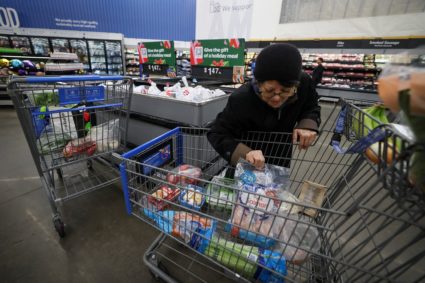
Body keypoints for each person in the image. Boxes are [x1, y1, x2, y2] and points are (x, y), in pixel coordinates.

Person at [207, 43, 321, 170]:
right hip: (248, 165)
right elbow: (217, 132)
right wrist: (245, 153)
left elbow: (311, 106)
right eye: (269, 91)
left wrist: (308, 124)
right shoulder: (241, 99)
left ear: (295, 86)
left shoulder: (304, 84)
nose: (277, 97)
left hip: (281, 162)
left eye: (285, 91)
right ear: (258, 83)